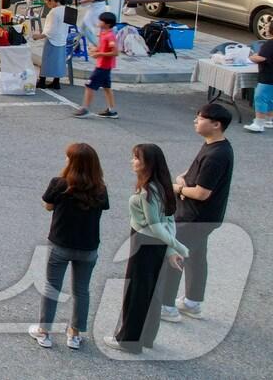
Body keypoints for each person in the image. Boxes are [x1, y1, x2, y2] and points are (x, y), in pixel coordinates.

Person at [106, 144, 188, 354]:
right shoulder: (162, 187)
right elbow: (168, 221)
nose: (132, 161)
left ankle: (129, 340)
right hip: (156, 245)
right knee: (150, 291)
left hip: (144, 242)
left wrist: (177, 247)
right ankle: (145, 338)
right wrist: (170, 249)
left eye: (136, 158)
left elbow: (156, 225)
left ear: (148, 164)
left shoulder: (147, 190)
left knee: (137, 292)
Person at [29, 143, 109, 350]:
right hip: (88, 247)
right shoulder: (100, 189)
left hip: (61, 244)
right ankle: (74, 334)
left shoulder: (59, 184)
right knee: (81, 290)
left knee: (52, 287)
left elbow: (48, 205)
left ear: (72, 163)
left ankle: (44, 331)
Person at [161, 102, 234, 323]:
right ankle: (192, 302)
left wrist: (178, 188)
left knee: (174, 256)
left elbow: (202, 193)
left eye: (200, 118)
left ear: (216, 124)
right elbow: (195, 173)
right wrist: (184, 178)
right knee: (196, 257)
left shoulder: (215, 155)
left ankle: (167, 306)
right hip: (206, 217)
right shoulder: (215, 146)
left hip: (194, 217)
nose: (196, 121)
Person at [73, 11, 118, 118]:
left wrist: (99, 54)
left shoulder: (110, 36)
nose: (98, 22)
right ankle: (111, 110)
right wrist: (96, 49)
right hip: (104, 66)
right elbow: (102, 46)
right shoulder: (103, 33)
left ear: (107, 24)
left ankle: (85, 108)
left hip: (103, 66)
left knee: (89, 86)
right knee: (107, 88)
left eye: (101, 20)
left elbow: (115, 52)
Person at [33, 0, 71, 90]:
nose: (46, 3)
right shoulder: (65, 9)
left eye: (47, 1)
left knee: (46, 60)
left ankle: (42, 81)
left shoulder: (53, 12)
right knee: (58, 61)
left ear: (53, 0)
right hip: (62, 38)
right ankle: (56, 81)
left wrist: (38, 36)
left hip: (52, 39)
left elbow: (50, 30)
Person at [246, 34, 273, 132]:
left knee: (260, 97)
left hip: (268, 75)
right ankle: (269, 120)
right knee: (270, 99)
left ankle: (259, 123)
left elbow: (262, 58)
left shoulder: (269, 44)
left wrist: (251, 57)